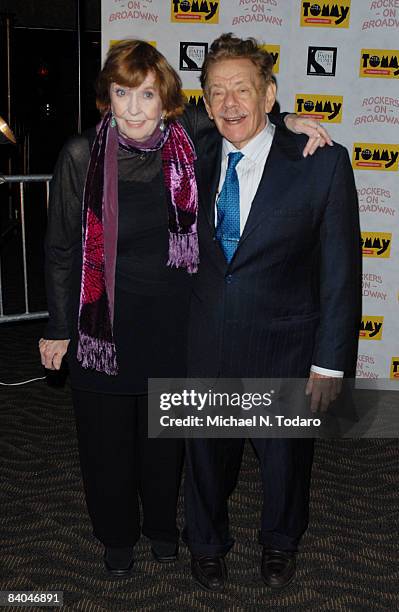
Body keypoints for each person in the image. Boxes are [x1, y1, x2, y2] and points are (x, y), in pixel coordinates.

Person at [38, 39, 332, 578]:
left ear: (166, 100)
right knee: (107, 444)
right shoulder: (80, 155)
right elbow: (59, 248)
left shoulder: (187, 138)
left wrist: (290, 119)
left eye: (146, 94)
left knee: (163, 444)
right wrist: (58, 328)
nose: (133, 107)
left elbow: (240, 111)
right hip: (100, 327)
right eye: (122, 93)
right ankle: (118, 538)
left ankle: (161, 529)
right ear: (106, 97)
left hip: (174, 324)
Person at [183, 34, 361, 592]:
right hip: (206, 343)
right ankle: (207, 545)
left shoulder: (321, 162)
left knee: (285, 464)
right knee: (205, 460)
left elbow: (340, 272)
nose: (231, 103)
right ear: (205, 104)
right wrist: (283, 117)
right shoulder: (195, 150)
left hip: (284, 346)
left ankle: (281, 542)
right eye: (218, 93)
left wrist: (330, 363)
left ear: (269, 94)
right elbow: (148, 118)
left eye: (244, 89)